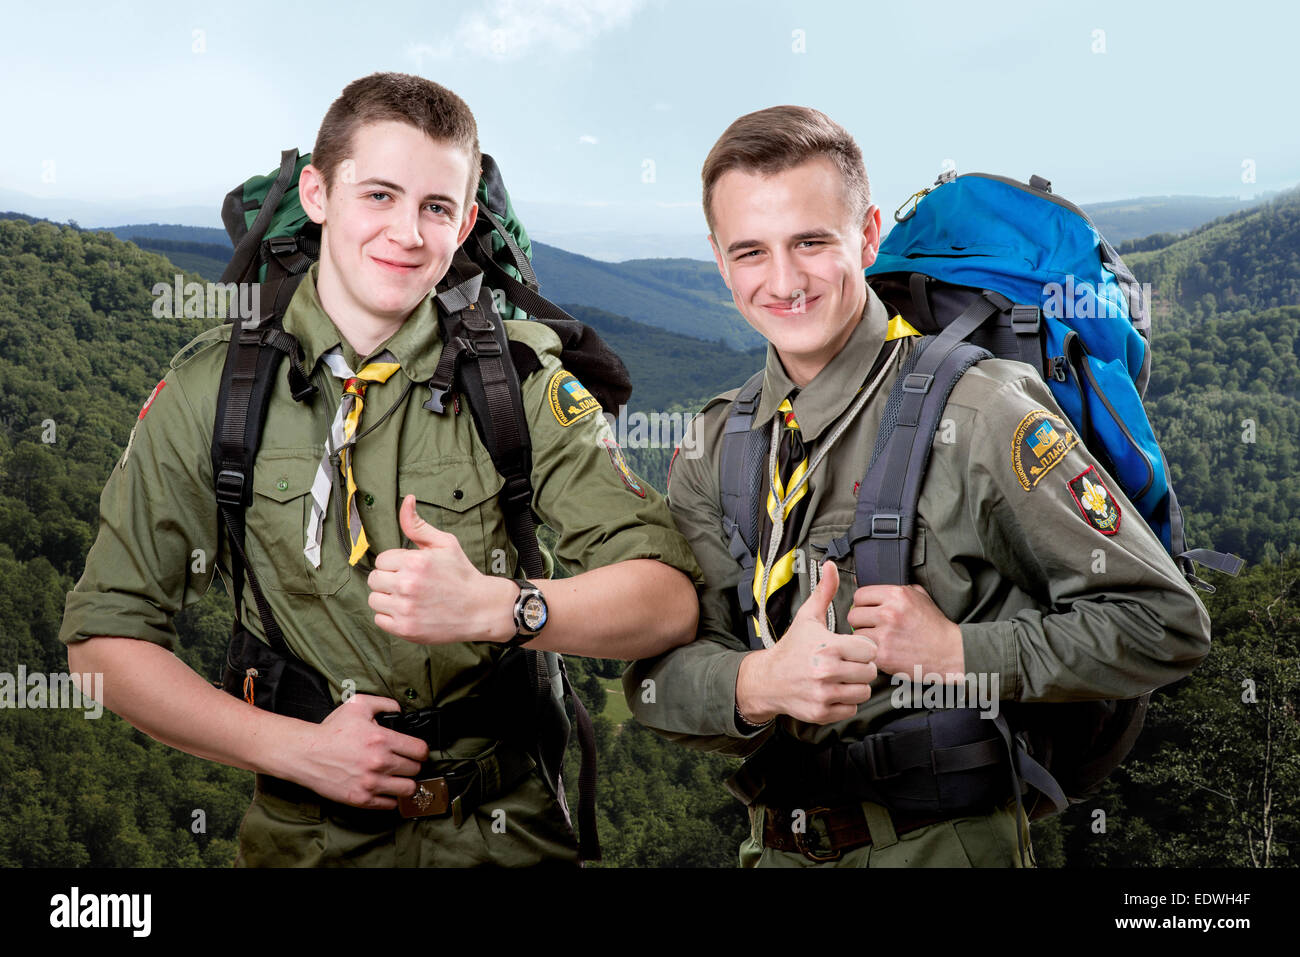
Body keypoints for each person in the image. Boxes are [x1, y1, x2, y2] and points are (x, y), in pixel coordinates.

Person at [60, 72, 702, 867]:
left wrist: (505, 605)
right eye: (379, 196)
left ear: (465, 220)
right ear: (319, 192)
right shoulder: (213, 390)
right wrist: (294, 748)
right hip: (305, 839)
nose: (406, 232)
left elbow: (668, 599)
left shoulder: (520, 385)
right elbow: (102, 640)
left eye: (436, 207)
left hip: (507, 829)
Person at [624, 105, 1212, 867]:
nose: (783, 281)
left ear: (867, 236)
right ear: (717, 258)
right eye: (750, 252)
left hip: (946, 846)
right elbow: (653, 685)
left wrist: (958, 653)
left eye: (811, 241)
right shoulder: (715, 447)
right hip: (770, 847)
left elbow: (1166, 623)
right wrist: (757, 680)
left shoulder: (981, 410)